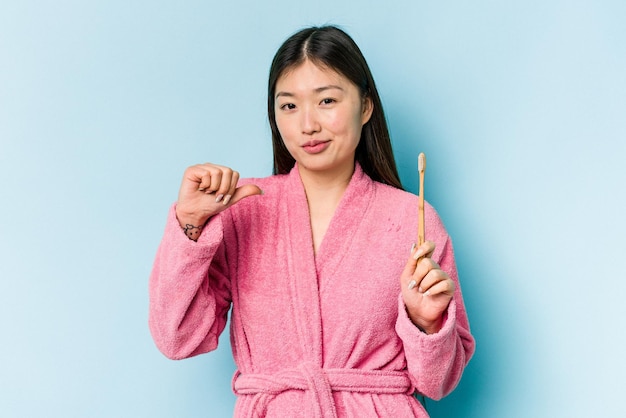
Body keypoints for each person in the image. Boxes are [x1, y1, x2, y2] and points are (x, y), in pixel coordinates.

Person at [149, 25, 475, 417]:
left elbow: (438, 383)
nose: (308, 125)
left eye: (327, 101)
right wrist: (190, 225)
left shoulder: (412, 219)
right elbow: (177, 338)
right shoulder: (244, 211)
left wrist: (426, 324)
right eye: (289, 106)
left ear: (365, 106)